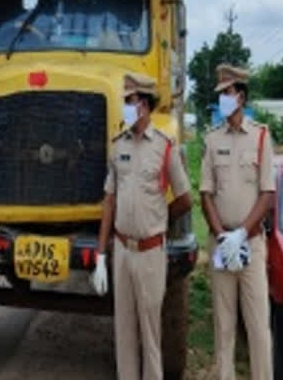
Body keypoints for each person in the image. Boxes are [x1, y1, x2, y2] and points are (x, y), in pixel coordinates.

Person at [90, 73, 193, 380]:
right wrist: (99, 254)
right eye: (125, 101)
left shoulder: (164, 147)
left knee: (150, 329)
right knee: (123, 328)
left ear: (145, 105)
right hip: (122, 249)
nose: (125, 107)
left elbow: (185, 199)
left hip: (150, 252)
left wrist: (160, 219)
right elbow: (109, 200)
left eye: (130, 101)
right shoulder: (117, 145)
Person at [200, 64, 275, 380]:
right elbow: (205, 193)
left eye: (227, 93)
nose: (222, 99)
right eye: (220, 94)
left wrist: (242, 233)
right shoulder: (211, 139)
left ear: (241, 97)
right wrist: (221, 235)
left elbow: (267, 194)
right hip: (221, 244)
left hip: (252, 244)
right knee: (224, 324)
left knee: (258, 326)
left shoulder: (260, 137)